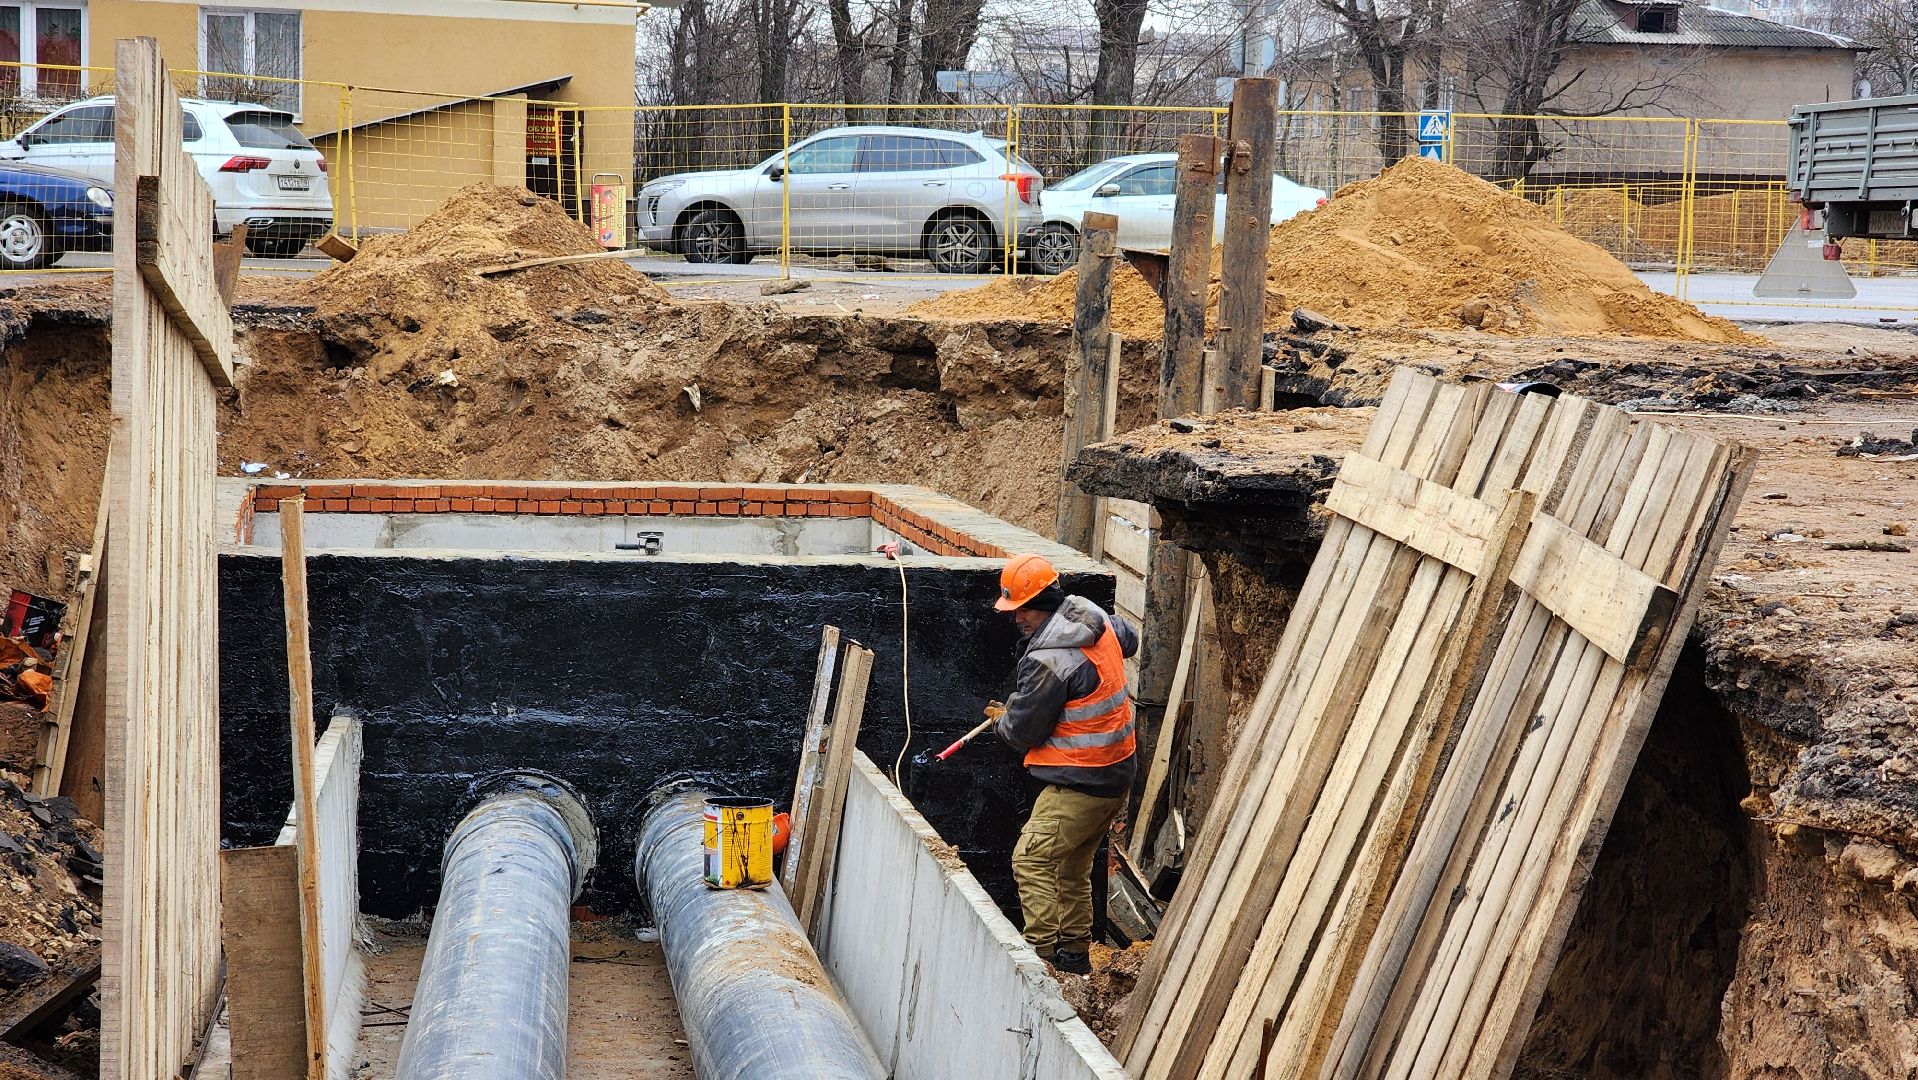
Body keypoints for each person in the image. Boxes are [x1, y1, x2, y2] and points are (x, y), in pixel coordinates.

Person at [991, 553, 1138, 976]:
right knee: (1073, 868)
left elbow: (1022, 733)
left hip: (1081, 779)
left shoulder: (1049, 661)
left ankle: (1040, 960)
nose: (1017, 619)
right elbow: (1129, 638)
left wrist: (1006, 718)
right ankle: (1074, 958)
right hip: (1116, 771)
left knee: (1032, 859)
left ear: (1042, 602)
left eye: (1021, 610)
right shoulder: (1095, 618)